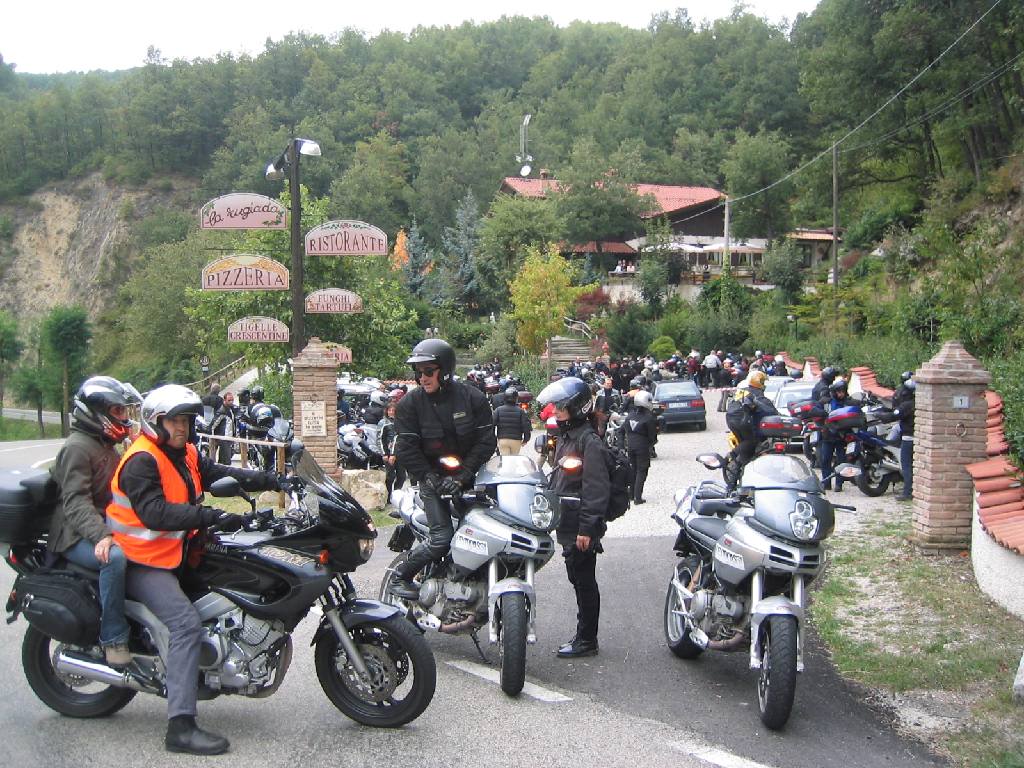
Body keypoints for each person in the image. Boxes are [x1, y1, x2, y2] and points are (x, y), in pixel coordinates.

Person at [106, 384, 281, 755]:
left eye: (186, 420)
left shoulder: (183, 452)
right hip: (142, 560)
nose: (183, 427)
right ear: (155, 422)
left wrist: (272, 479)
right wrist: (211, 517)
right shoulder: (142, 460)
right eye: (175, 421)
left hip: (175, 552)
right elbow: (155, 513)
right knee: (185, 624)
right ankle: (180, 727)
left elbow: (216, 472)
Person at [388, 339, 497, 600]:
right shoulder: (409, 404)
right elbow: (406, 448)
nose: (422, 377)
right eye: (418, 372)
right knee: (441, 538)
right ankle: (399, 577)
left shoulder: (473, 398)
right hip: (431, 478)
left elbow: (486, 441)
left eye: (428, 371)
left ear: (445, 370)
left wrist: (463, 475)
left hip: (470, 478)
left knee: (485, 535)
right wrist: (429, 477)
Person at [48, 376, 142, 667]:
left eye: (124, 411)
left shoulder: (105, 444)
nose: (124, 418)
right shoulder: (77, 448)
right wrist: (101, 536)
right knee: (114, 558)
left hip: (102, 523)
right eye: (118, 411)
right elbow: (75, 502)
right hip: (74, 534)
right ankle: (114, 638)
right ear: (95, 412)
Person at [536, 376, 610, 659]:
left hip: (581, 525)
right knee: (577, 578)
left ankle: (587, 640)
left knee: (584, 581)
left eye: (561, 407)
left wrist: (587, 529)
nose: (555, 411)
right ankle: (584, 636)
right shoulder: (568, 437)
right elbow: (560, 479)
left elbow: (596, 489)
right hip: (568, 522)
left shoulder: (588, 441)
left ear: (577, 408)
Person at [723, 370, 779, 492]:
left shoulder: (743, 390)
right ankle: (732, 455)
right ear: (759, 382)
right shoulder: (756, 393)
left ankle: (734, 479)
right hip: (742, 419)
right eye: (763, 382)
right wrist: (778, 415)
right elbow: (770, 410)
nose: (764, 385)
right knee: (752, 441)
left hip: (731, 419)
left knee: (746, 447)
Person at [820, 377, 854, 491]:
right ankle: (826, 483)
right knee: (825, 459)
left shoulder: (848, 402)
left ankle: (839, 483)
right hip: (828, 435)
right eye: (839, 392)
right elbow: (817, 410)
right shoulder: (828, 402)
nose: (841, 394)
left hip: (841, 436)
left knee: (841, 461)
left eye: (843, 392)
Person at [624, 390, 657, 504]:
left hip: (630, 446)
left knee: (633, 469)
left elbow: (624, 430)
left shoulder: (630, 416)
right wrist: (651, 444)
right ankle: (638, 498)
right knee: (642, 471)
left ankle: (631, 494)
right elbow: (652, 436)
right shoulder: (648, 418)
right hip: (642, 447)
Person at [892, 372, 916, 500]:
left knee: (906, 465)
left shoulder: (906, 405)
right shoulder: (919, 404)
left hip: (908, 437)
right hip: (918, 438)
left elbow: (894, 415)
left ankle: (907, 492)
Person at [379, 401, 406, 500]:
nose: (391, 412)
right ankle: (388, 496)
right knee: (390, 476)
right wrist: (385, 453)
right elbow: (380, 439)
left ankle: (396, 495)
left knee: (402, 476)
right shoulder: (383, 423)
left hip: (400, 453)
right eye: (389, 410)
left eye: (393, 410)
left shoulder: (401, 422)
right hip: (388, 453)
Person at [493, 387, 531, 456]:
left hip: (502, 440)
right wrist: (526, 439)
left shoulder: (498, 410)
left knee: (505, 460)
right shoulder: (521, 411)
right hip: (516, 440)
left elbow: (491, 425)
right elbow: (526, 426)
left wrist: (493, 438)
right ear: (516, 398)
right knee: (514, 460)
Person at [209, 390, 237, 465]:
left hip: (229, 438)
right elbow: (213, 425)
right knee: (225, 461)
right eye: (229, 400)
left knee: (226, 459)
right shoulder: (222, 411)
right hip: (224, 438)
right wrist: (212, 438)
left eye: (232, 400)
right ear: (224, 400)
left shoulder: (231, 409)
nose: (231, 402)